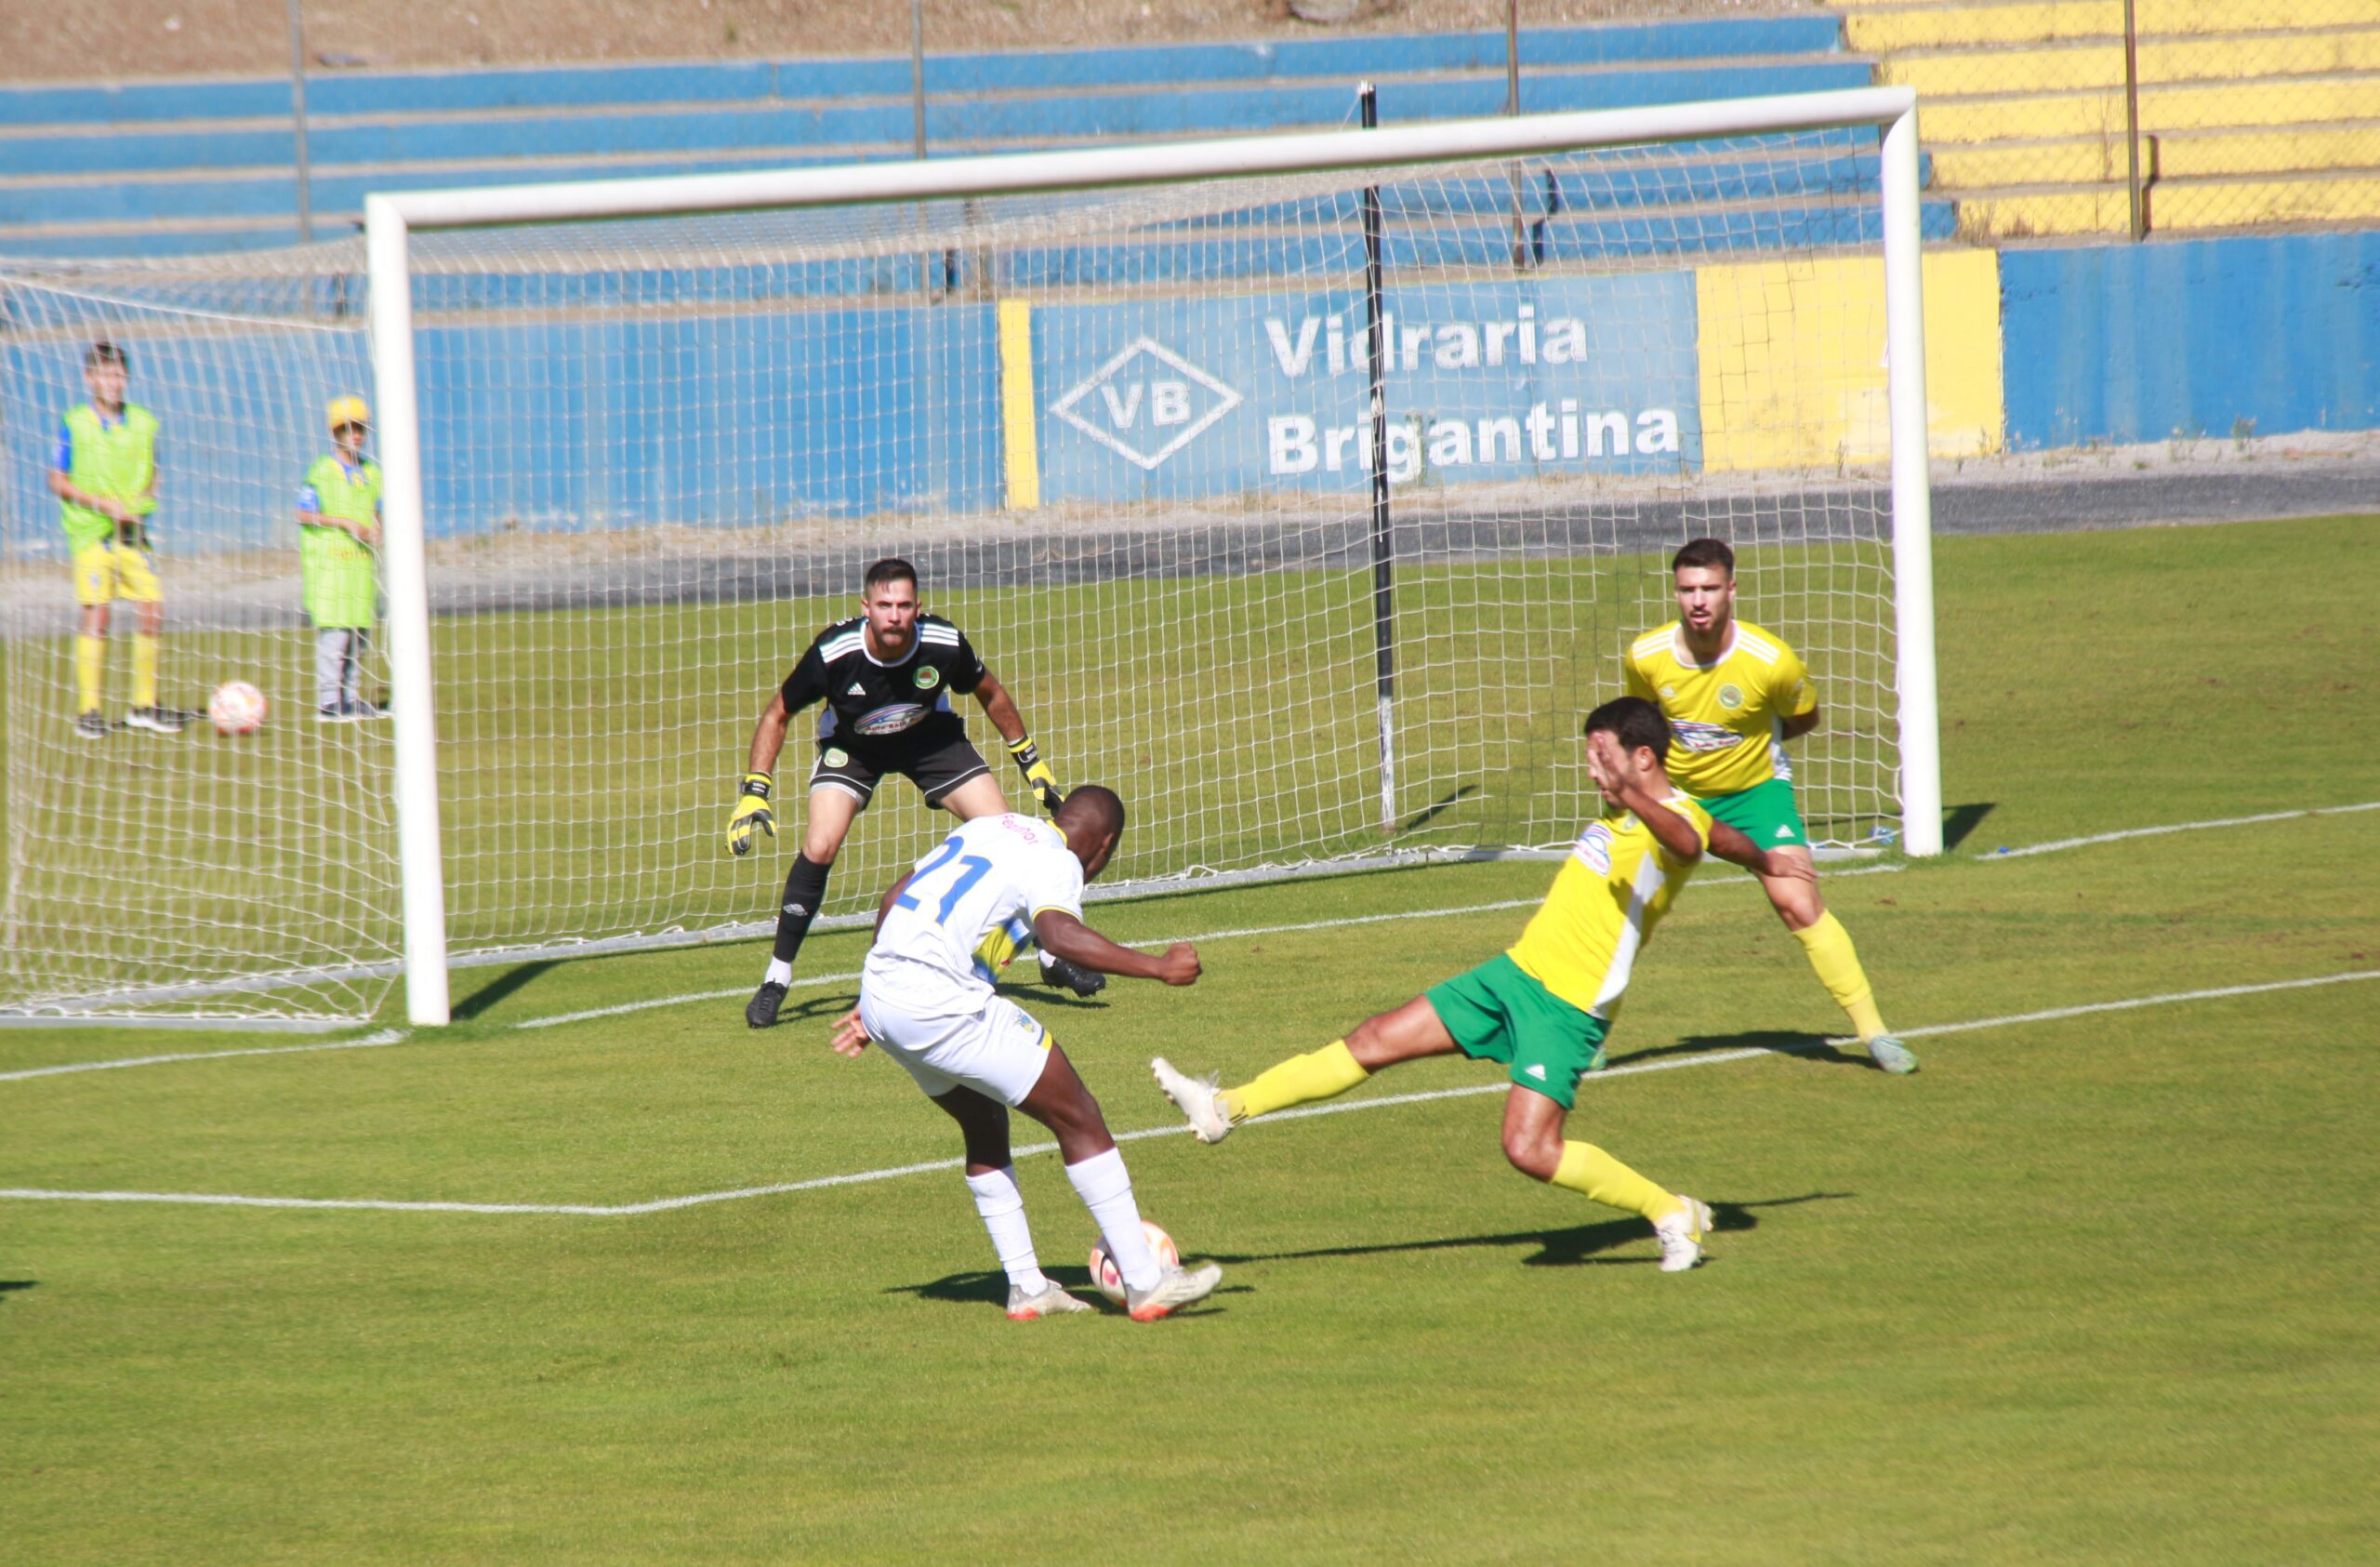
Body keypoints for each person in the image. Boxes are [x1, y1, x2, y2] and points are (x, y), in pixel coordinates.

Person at [1153, 697, 1809, 1273]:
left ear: (1642, 758)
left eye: (1601, 759)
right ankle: (1225, 1107)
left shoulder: (1671, 817)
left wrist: (1637, 795)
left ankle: (1671, 1212)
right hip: (1514, 975)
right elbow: (1724, 838)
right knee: (1374, 1036)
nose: (1591, 771)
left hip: (1567, 1008)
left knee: (1528, 1148)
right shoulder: (1646, 814)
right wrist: (1764, 858)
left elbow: (1693, 840)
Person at [826, 786, 1223, 1321]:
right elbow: (1058, 935)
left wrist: (878, 1000)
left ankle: (1027, 1288)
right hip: (938, 1004)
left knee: (985, 1121)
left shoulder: (988, 826)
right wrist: (1158, 966)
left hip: (881, 993)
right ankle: (1146, 1281)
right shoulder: (1056, 860)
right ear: (1103, 847)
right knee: (1078, 1114)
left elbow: (894, 897)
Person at [728, 557, 1097, 1029]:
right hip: (852, 746)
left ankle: (1048, 958)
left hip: (930, 740)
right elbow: (778, 711)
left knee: (1007, 838)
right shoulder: (834, 652)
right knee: (819, 845)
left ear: (917, 607)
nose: (895, 615)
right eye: (884, 605)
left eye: (904, 605)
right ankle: (776, 979)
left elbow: (991, 693)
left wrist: (1030, 761)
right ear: (867, 608)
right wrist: (755, 790)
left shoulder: (942, 642)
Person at [1622, 538, 1918, 1073]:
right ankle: (1585, 1036)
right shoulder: (1646, 656)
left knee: (1798, 902)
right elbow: (1642, 725)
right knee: (1626, 908)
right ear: (1675, 592)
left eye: (1709, 588)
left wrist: (1748, 754)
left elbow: (1803, 718)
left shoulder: (1772, 662)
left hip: (1757, 793)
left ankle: (1875, 1034)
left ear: (1731, 589)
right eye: (1687, 589)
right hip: (1677, 796)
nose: (1698, 601)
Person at [48, 340, 185, 737]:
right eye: (104, 375)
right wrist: (101, 504)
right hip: (92, 534)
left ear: (127, 379)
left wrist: (142, 500)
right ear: (89, 378)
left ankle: (145, 704)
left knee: (152, 608)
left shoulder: (143, 422)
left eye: (118, 375)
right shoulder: (74, 423)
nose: (112, 383)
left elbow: (155, 474)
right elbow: (56, 479)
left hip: (134, 535)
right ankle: (89, 710)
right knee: (98, 613)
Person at [296, 395, 386, 722]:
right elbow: (303, 513)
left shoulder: (372, 474)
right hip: (330, 568)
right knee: (336, 637)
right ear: (335, 433)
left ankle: (350, 697)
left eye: (360, 428)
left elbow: (377, 512)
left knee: (359, 636)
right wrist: (344, 522)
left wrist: (378, 531)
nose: (356, 435)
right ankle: (328, 701)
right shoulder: (321, 472)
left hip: (360, 568)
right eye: (347, 429)